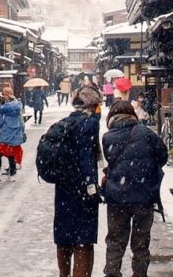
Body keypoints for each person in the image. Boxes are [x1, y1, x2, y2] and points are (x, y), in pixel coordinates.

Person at [101, 101, 168, 277]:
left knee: (115, 241)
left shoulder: (108, 137)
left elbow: (111, 161)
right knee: (141, 242)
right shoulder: (146, 133)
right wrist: (146, 169)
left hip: (117, 197)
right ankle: (139, 274)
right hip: (143, 196)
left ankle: (112, 273)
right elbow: (162, 156)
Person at [54, 85, 103, 277]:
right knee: (84, 237)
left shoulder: (66, 122)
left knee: (64, 236)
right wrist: (91, 186)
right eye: (97, 105)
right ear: (91, 105)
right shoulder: (89, 123)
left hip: (64, 186)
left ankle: (64, 273)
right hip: (81, 188)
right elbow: (86, 156)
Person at [0, 92, 25, 181]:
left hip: (3, 135)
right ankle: (12, 175)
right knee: (11, 156)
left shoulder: (2, 110)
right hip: (13, 136)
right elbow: (21, 123)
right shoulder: (17, 108)